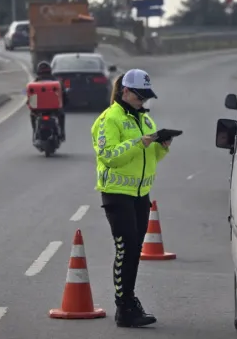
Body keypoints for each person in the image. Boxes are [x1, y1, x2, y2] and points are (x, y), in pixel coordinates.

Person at [90, 68, 171, 328]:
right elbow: (109, 156)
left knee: (135, 249)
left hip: (140, 195)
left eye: (146, 97)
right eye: (140, 96)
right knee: (126, 249)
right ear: (125, 91)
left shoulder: (145, 120)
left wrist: (162, 147)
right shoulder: (108, 119)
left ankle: (129, 302)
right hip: (117, 194)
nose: (143, 101)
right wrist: (139, 143)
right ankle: (124, 307)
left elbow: (150, 159)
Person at [29, 61, 66, 142]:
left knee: (32, 115)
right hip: (54, 109)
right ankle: (62, 133)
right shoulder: (57, 82)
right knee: (61, 115)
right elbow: (63, 94)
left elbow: (30, 98)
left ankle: (34, 131)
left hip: (39, 110)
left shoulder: (34, 82)